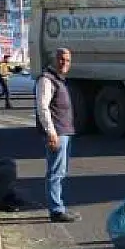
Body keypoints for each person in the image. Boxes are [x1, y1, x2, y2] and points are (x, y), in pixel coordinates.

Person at [36, 47, 80, 223]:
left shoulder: (59, 80)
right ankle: (56, 210)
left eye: (68, 60)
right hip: (57, 133)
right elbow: (43, 107)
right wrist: (51, 132)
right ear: (54, 60)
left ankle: (58, 206)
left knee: (60, 171)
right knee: (55, 172)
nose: (64, 63)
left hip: (65, 131)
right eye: (61, 59)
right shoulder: (46, 80)